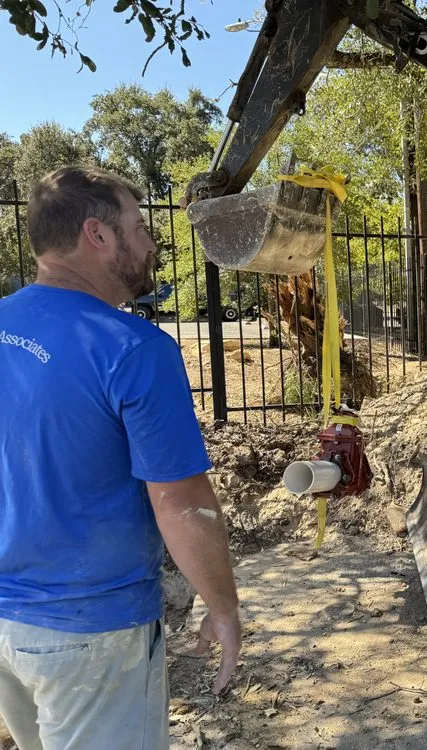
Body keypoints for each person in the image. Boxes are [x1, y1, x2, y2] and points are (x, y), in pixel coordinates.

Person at [0, 166, 241, 750]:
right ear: (98, 235)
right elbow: (182, 504)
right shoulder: (134, 350)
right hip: (91, 633)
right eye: (138, 226)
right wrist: (223, 608)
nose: (152, 243)